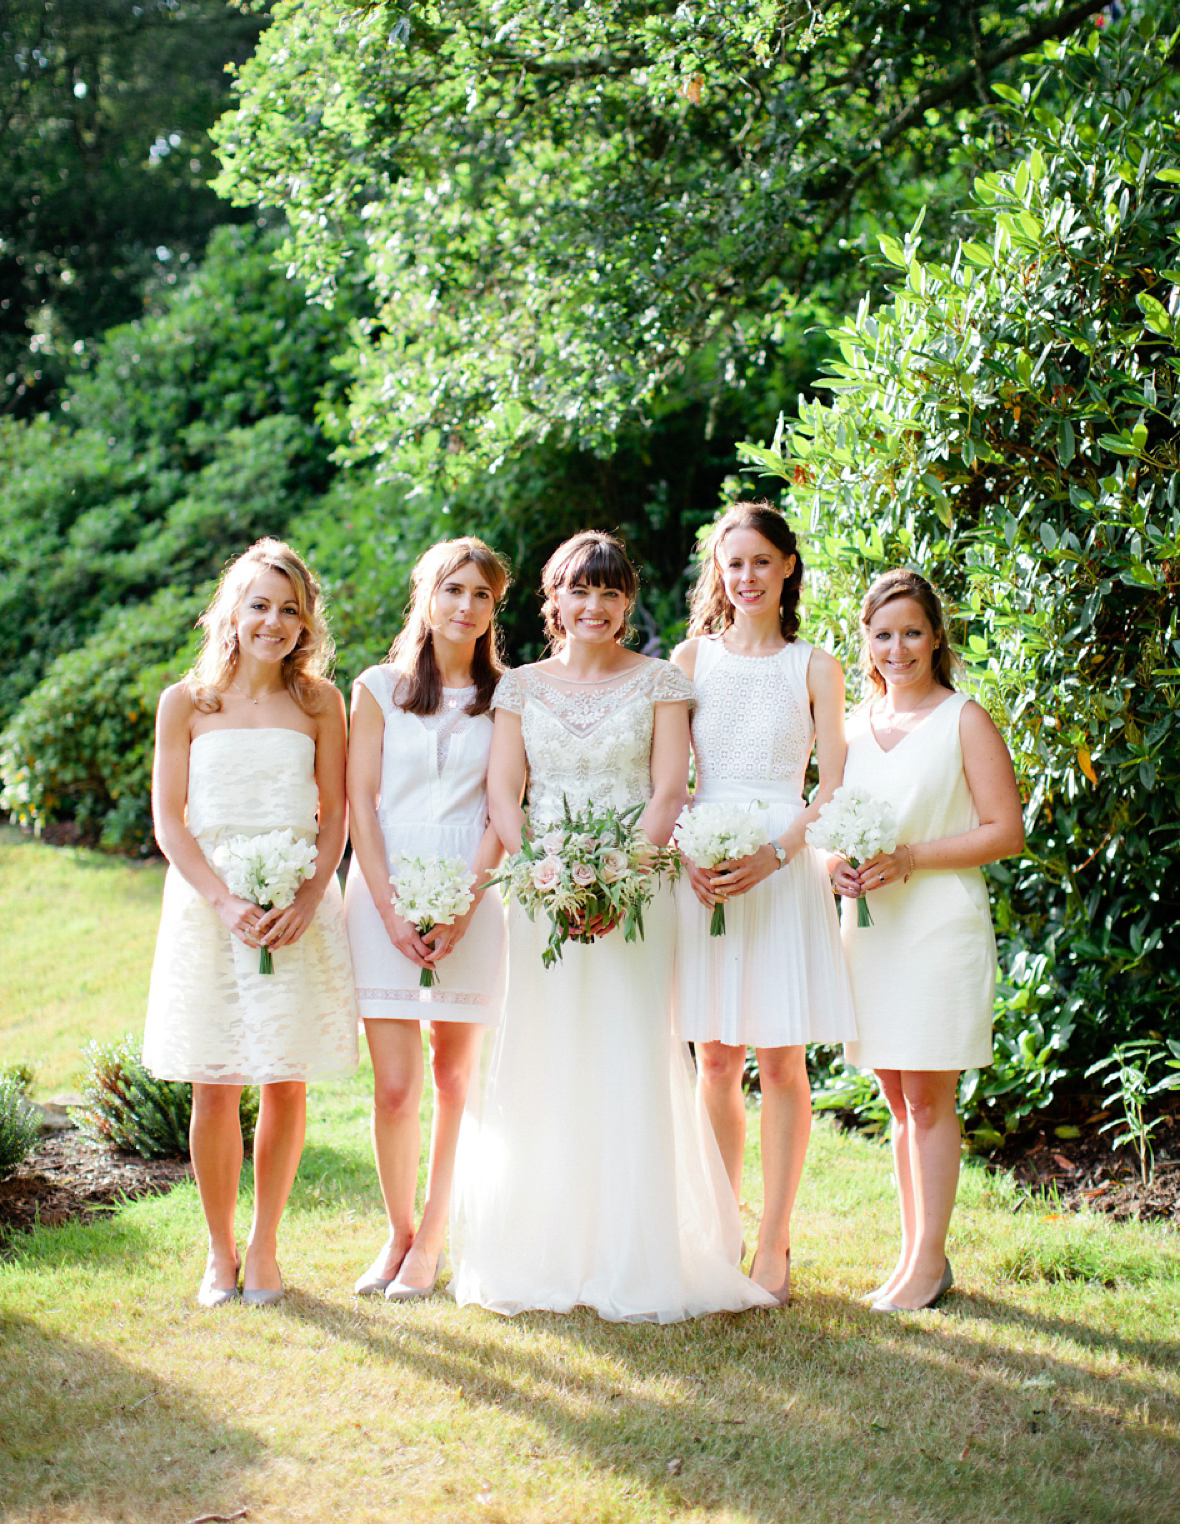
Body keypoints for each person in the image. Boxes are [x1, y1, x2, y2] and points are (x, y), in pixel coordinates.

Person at [454, 530, 771, 1322]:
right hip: (541, 897)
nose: (593, 606)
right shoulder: (520, 687)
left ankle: (636, 1254)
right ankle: (545, 1249)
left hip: (637, 892)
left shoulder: (661, 682)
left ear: (628, 602)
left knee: (632, 1053)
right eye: (578, 591)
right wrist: (545, 878)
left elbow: (668, 791)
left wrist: (620, 875)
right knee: (545, 1053)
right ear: (553, 599)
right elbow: (504, 796)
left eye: (610, 592)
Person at [144, 539, 356, 1308]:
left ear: (306, 621)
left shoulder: (320, 703)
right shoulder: (187, 702)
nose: (273, 621)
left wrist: (307, 896)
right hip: (209, 906)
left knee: (284, 1079)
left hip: (296, 902)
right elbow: (170, 822)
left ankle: (265, 1246)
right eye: (259, 604)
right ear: (231, 610)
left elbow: (335, 819)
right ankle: (218, 1250)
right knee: (215, 1079)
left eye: (289, 608)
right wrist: (225, 900)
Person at [672, 502, 855, 1304]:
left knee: (779, 1059)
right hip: (706, 868)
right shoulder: (690, 658)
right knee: (713, 1056)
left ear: (787, 567)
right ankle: (721, 1227)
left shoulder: (814, 665)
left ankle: (775, 1240)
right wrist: (689, 849)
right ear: (719, 571)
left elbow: (836, 789)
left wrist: (778, 854)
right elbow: (665, 778)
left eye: (759, 561)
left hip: (782, 868)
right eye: (731, 562)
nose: (744, 577)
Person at [830, 568, 1024, 1313]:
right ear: (866, 641)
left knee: (931, 1097)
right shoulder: (850, 726)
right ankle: (914, 1259)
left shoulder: (963, 718)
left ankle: (927, 1263)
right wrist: (836, 868)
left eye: (912, 632)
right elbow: (828, 827)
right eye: (883, 635)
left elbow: (1005, 831)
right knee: (896, 1099)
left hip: (939, 925)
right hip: (871, 931)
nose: (898, 648)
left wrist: (910, 857)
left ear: (936, 635)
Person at [345, 537, 510, 1301]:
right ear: (426, 594)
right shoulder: (376, 688)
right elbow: (359, 808)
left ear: (493, 609)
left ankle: (434, 1237)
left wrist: (467, 904)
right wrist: (386, 906)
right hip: (383, 889)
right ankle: (400, 1232)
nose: (465, 607)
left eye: (481, 595)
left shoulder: (509, 697)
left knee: (454, 1076)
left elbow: (503, 812)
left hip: (471, 893)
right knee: (395, 1086)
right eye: (453, 590)